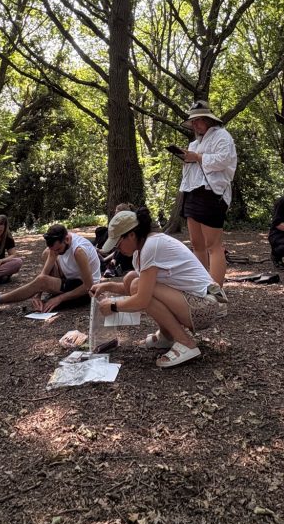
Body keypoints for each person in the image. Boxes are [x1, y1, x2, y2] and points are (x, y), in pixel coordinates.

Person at [91, 207, 227, 368]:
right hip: (197, 302)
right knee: (132, 279)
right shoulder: (140, 251)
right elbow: (134, 288)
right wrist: (107, 286)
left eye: (118, 244)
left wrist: (113, 306)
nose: (117, 249)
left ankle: (186, 343)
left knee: (137, 285)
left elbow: (142, 299)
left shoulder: (151, 247)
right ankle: (167, 335)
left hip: (205, 307)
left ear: (132, 235)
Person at [0, 223, 101, 314]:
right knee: (46, 254)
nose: (57, 253)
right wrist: (37, 294)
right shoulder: (58, 242)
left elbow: (89, 286)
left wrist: (60, 298)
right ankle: (51, 291)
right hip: (69, 279)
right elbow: (44, 273)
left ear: (66, 239)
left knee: (42, 281)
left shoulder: (79, 251)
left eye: (59, 250)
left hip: (85, 290)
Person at [178, 100, 238, 286]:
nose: (195, 124)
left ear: (209, 120)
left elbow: (223, 160)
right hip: (192, 192)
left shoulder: (222, 136)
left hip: (212, 193)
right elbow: (193, 168)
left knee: (213, 245)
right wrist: (188, 158)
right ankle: (202, 287)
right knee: (197, 244)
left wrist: (197, 157)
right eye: (193, 121)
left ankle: (217, 293)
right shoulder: (195, 143)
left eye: (199, 120)